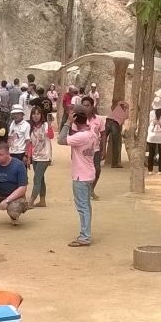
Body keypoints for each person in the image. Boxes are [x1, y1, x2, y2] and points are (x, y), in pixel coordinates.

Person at [57, 104, 99, 247]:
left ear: (75, 118)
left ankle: (85, 236)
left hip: (80, 175)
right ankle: (85, 233)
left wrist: (68, 122)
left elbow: (60, 140)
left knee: (82, 207)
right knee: (86, 206)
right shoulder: (92, 132)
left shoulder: (80, 137)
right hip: (89, 173)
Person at [27, 106, 54, 208]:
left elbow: (51, 136)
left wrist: (50, 125)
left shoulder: (45, 125)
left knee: (36, 179)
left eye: (38, 114)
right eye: (34, 114)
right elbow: (30, 144)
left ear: (41, 115)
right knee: (41, 179)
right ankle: (42, 201)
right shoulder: (31, 127)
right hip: (35, 157)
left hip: (44, 157)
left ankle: (31, 201)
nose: (36, 116)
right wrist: (29, 157)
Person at [80, 96, 107, 200]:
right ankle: (84, 191)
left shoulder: (99, 119)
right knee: (84, 172)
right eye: (83, 106)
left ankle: (91, 189)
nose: (85, 108)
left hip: (95, 149)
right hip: (82, 151)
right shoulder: (79, 119)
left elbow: (103, 134)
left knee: (97, 170)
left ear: (92, 107)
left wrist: (104, 149)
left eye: (87, 106)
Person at [147, 98, 161, 175]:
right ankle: (160, 170)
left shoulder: (150, 113)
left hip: (151, 136)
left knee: (151, 154)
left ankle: (150, 170)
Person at [106, 99, 129, 168]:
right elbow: (126, 118)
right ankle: (114, 163)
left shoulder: (120, 104)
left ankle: (96, 160)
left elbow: (115, 105)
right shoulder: (128, 109)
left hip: (108, 120)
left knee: (102, 140)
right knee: (115, 144)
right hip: (116, 123)